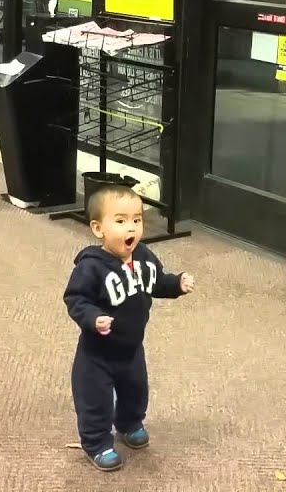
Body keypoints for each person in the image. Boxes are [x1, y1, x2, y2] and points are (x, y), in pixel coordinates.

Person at [63, 184, 195, 471]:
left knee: (135, 390)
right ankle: (96, 444)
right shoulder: (91, 266)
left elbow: (157, 281)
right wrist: (93, 318)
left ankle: (129, 423)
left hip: (132, 348)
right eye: (120, 221)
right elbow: (76, 298)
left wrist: (176, 284)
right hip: (97, 353)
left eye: (137, 219)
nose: (131, 227)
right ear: (98, 228)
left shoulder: (144, 256)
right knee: (95, 400)